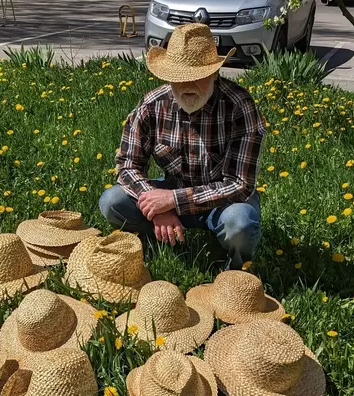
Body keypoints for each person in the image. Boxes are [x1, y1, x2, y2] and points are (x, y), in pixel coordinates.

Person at [98, 23, 266, 270]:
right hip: (170, 189)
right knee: (111, 200)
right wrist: (157, 209)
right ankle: (159, 234)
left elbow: (240, 185)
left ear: (214, 73)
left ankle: (236, 268)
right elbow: (127, 166)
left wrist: (172, 201)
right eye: (178, 77)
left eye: (197, 76)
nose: (187, 85)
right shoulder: (152, 105)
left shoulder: (239, 106)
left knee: (241, 222)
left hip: (223, 203)